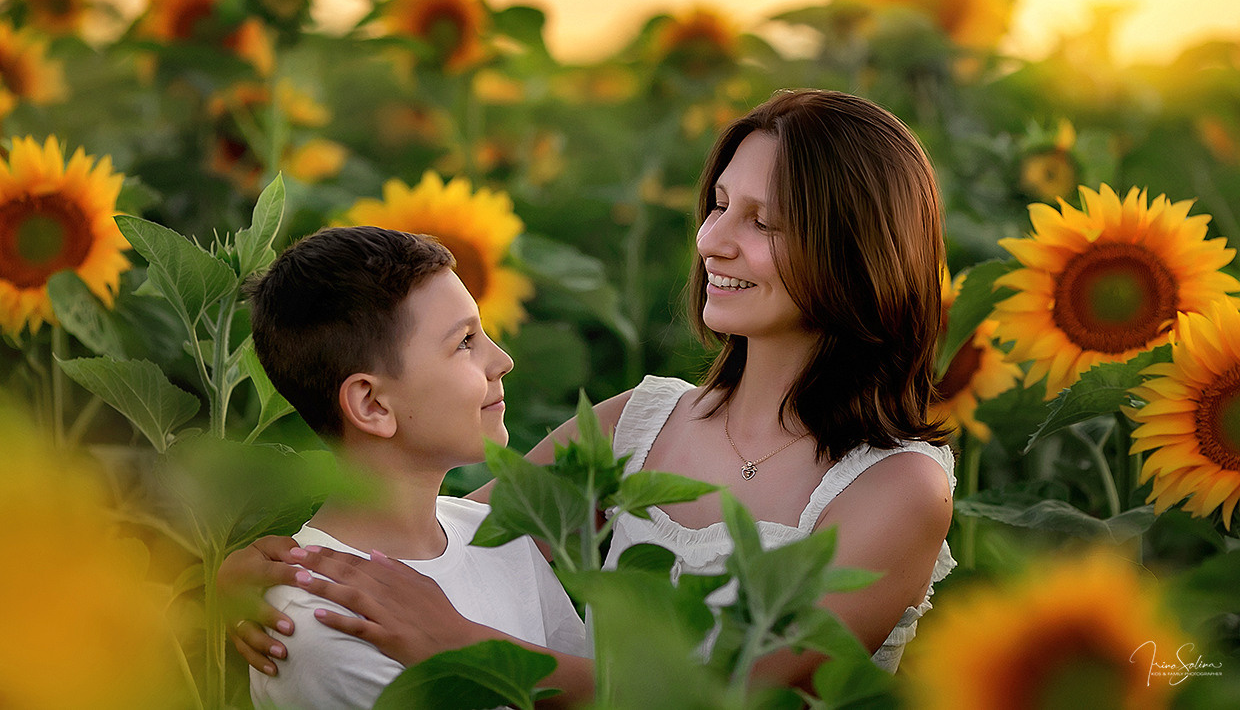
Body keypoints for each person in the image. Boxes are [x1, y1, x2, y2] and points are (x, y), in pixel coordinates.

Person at [226, 89, 956, 694]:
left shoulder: (895, 487)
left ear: (858, 252)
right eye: (720, 204)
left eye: (762, 221)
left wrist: (460, 644)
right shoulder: (634, 425)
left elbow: (736, 695)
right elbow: (439, 537)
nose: (712, 240)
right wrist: (270, 567)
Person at [238, 225, 590, 710]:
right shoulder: (328, 628)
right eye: (465, 341)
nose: (502, 360)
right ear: (372, 404)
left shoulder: (496, 534)